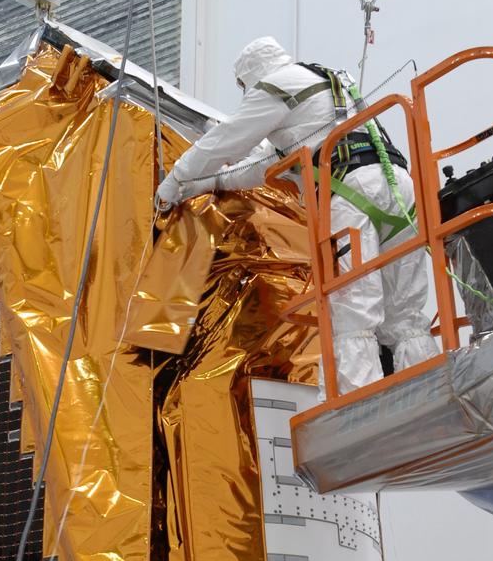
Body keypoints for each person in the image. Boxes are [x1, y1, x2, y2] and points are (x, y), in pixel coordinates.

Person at [155, 36, 438, 392]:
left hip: (348, 193)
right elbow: (268, 165)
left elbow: (226, 140)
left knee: (353, 310)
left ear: (251, 75)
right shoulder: (329, 83)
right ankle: (428, 388)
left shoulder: (274, 86)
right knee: (406, 313)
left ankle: (358, 405)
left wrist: (176, 179)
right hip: (399, 188)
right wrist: (205, 183)